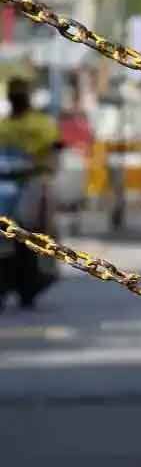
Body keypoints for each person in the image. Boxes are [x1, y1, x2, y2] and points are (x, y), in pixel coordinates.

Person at [0, 77, 60, 310]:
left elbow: (54, 150)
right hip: (5, 184)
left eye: (20, 94)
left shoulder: (42, 123)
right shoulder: (4, 126)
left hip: (33, 182)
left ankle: (39, 271)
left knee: (35, 227)